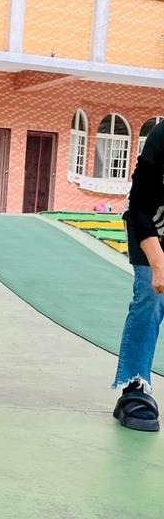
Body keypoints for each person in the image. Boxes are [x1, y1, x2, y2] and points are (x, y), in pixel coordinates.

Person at [113, 118, 164, 432]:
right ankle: (134, 387)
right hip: (151, 227)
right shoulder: (163, 135)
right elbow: (140, 204)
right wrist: (158, 264)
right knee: (150, 294)